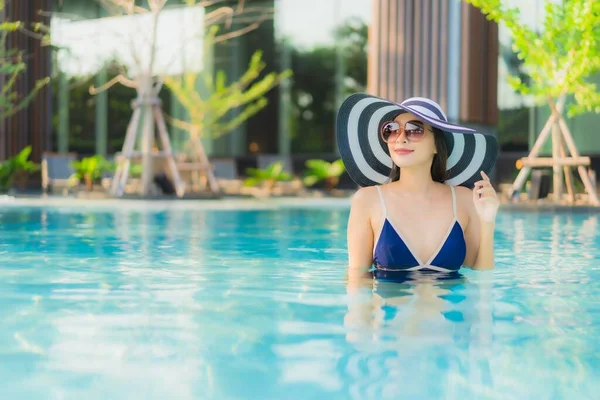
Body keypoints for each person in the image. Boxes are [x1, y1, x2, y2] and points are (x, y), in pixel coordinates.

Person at [335, 93, 500, 281]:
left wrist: (488, 222)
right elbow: (357, 279)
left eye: (414, 130)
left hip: (452, 309)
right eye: (392, 129)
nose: (401, 138)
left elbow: (480, 273)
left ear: (437, 145)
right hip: (390, 309)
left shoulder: (463, 199)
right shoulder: (368, 200)